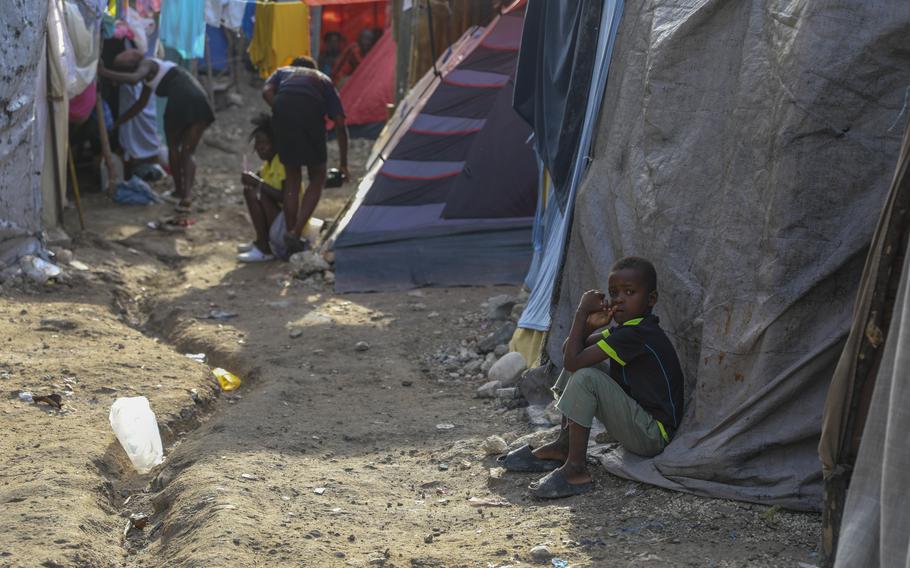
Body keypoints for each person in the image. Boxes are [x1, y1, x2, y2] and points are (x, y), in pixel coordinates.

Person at [499, 256, 685, 499]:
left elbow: (573, 360)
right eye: (614, 293)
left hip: (652, 435)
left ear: (651, 299)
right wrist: (588, 326)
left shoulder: (638, 334)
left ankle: (576, 470)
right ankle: (564, 446)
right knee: (581, 368)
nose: (619, 299)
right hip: (638, 423)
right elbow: (571, 353)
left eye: (629, 292)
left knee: (586, 376)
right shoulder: (626, 330)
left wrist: (581, 312)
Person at [98, 50, 215, 213]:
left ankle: (179, 191)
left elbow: (133, 79)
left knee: (174, 148)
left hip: (180, 98)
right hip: (199, 98)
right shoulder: (151, 77)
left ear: (132, 66)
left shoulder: (147, 63)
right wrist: (118, 122)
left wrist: (104, 72)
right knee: (188, 152)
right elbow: (140, 105)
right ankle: (185, 196)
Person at [262, 56, 348, 254]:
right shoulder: (322, 79)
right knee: (317, 177)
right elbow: (340, 124)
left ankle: (291, 237)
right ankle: (295, 232)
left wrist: (281, 108)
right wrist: (343, 164)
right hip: (311, 115)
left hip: (283, 112)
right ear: (313, 68)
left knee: (293, 178)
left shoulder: (283, 72)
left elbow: (266, 91)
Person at [237, 114, 284, 263]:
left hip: (286, 225)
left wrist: (257, 182)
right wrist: (252, 180)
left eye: (264, 143)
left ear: (275, 143)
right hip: (278, 222)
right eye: (257, 143)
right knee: (251, 191)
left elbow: (285, 197)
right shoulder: (268, 165)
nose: (259, 148)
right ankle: (260, 241)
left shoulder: (282, 163)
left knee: (260, 194)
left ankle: (265, 248)